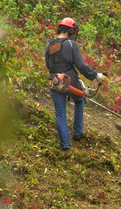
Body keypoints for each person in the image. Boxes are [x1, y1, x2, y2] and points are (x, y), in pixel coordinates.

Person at [44, 17, 104, 152]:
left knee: (60, 113)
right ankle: (77, 132)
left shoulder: (49, 44)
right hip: (69, 80)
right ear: (71, 31)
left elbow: (48, 65)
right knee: (80, 100)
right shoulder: (71, 44)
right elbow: (81, 66)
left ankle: (65, 145)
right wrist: (95, 75)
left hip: (55, 80)